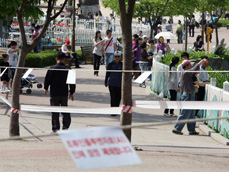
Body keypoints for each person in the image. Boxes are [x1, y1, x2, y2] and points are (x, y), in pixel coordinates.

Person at [172, 59, 207, 135]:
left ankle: (192, 130)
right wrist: (200, 62)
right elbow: (194, 69)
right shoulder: (186, 73)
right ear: (187, 66)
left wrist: (193, 87)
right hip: (187, 96)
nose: (191, 66)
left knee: (191, 114)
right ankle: (177, 128)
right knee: (185, 113)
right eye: (190, 65)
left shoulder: (187, 75)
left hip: (190, 95)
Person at [44, 52, 76, 132]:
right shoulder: (68, 69)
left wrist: (46, 88)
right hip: (64, 93)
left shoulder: (52, 68)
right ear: (64, 59)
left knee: (55, 111)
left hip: (54, 93)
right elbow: (72, 82)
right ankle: (66, 126)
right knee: (65, 110)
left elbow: (47, 79)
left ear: (56, 59)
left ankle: (55, 128)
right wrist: (71, 92)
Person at [105, 51, 122, 116]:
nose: (117, 58)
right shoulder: (111, 64)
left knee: (118, 97)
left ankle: (116, 109)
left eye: (118, 56)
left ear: (120, 57)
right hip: (112, 84)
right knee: (113, 97)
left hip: (120, 84)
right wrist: (106, 81)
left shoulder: (122, 65)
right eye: (116, 56)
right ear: (114, 57)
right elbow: (107, 73)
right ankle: (113, 111)